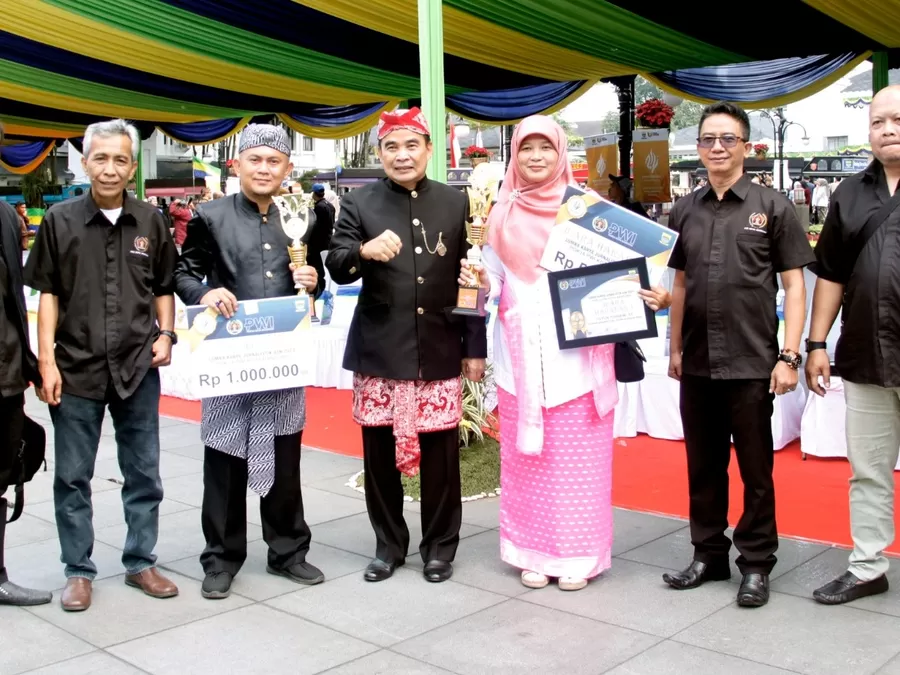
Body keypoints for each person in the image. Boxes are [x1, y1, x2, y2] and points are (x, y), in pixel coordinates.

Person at [459, 116, 669, 592]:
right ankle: (530, 552)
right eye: (526, 148)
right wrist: (481, 282)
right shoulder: (500, 214)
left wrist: (646, 292)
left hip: (580, 358)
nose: (536, 157)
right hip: (520, 357)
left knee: (579, 463)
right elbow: (493, 282)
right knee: (526, 463)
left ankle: (579, 555)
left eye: (546, 148)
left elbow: (626, 272)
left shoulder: (586, 211)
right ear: (514, 155)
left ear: (560, 155)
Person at [326, 107, 487, 584]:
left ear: (429, 150)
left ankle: (439, 548)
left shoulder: (457, 203)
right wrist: (362, 252)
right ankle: (388, 546)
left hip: (439, 344)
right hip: (379, 349)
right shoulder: (358, 203)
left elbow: (471, 280)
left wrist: (474, 347)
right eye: (392, 147)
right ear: (380, 153)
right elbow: (336, 263)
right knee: (378, 459)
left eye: (412, 145)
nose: (402, 155)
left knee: (442, 459)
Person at [24, 119, 179, 612]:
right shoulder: (60, 220)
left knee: (144, 472)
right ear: (85, 162)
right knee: (72, 476)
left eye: (120, 160)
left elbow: (163, 287)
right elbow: (47, 294)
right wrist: (46, 361)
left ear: (132, 168)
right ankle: (78, 570)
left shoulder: (151, 221)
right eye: (101, 158)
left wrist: (167, 335)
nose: (110, 168)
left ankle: (140, 561)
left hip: (137, 366)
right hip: (76, 367)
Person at [663, 102, 814, 608]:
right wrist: (674, 347)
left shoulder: (773, 207)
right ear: (698, 147)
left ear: (746, 146)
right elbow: (680, 283)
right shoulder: (685, 209)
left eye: (728, 139)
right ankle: (707, 555)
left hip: (752, 361)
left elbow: (795, 287)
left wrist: (789, 356)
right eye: (708, 139)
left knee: (755, 470)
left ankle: (756, 563)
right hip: (698, 360)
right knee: (702, 466)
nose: (717, 147)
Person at [175, 124, 325, 600]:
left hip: (282, 357)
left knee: (285, 454)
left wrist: (313, 278)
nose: (264, 169)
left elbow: (315, 277)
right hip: (229, 355)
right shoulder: (210, 216)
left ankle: (288, 551)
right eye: (255, 160)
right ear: (237, 164)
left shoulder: (301, 216)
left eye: (273, 161)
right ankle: (221, 558)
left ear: (287, 167)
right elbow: (183, 272)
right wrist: (205, 293)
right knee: (223, 457)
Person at [806, 85, 900, 605]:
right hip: (865, 355)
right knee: (868, 470)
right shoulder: (849, 192)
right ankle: (867, 567)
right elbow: (832, 275)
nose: (887, 129)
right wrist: (816, 343)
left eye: (897, 120)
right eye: (878, 122)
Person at [0, 139, 53, 605]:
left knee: (1, 472)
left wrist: (33, 366)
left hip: (5, 373)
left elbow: (14, 300)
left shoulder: (3, 215)